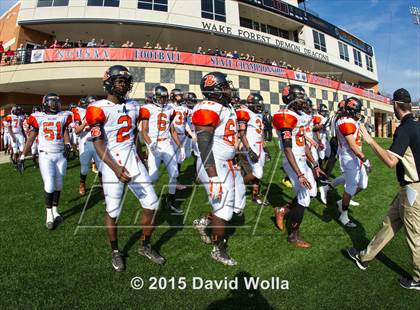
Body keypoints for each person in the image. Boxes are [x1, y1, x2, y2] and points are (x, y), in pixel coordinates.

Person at [86, 65, 164, 271]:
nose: (124, 85)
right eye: (120, 81)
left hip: (133, 160)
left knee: (152, 204)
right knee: (113, 210)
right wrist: (114, 167)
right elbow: (98, 143)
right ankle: (115, 251)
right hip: (112, 161)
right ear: (109, 83)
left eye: (126, 82)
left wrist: (140, 154)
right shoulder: (97, 108)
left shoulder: (134, 106)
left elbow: (134, 134)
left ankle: (145, 245)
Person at [346, 88, 420, 290]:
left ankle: (419, 278)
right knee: (389, 223)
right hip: (410, 189)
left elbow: (390, 161)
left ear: (395, 105)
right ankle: (365, 257)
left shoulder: (405, 128)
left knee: (414, 235)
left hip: (412, 189)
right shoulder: (416, 125)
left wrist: (370, 141)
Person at [192, 71, 240, 266]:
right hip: (213, 164)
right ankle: (218, 250)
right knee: (224, 209)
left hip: (225, 162)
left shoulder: (225, 107)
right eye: (225, 86)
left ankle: (203, 222)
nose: (229, 89)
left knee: (235, 204)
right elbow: (204, 145)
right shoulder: (207, 107)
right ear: (216, 89)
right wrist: (213, 177)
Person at [272, 85, 325, 248]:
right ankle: (293, 235)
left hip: (302, 160)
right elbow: (288, 148)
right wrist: (300, 174)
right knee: (304, 198)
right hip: (292, 162)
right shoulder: (285, 116)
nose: (303, 101)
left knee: (312, 191)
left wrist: (315, 164)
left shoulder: (300, 116)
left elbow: (304, 145)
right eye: (299, 98)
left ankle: (282, 211)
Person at [19, 93, 72, 230]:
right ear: (46, 103)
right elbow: (31, 139)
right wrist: (23, 155)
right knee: (49, 184)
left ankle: (55, 210)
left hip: (60, 154)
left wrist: (67, 144)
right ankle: (49, 215)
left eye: (57, 102)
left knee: (59, 185)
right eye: (52, 102)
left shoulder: (63, 115)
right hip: (46, 154)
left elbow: (65, 131)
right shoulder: (38, 117)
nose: (55, 105)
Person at [140, 86, 185, 214]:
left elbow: (172, 129)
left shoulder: (171, 109)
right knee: (153, 176)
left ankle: (170, 202)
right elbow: (143, 131)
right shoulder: (147, 108)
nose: (162, 100)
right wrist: (150, 144)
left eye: (164, 97)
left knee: (174, 173)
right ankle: (148, 199)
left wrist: (180, 146)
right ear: (155, 97)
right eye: (160, 97)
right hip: (153, 142)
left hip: (167, 143)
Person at [236, 93, 267, 205]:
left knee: (259, 173)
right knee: (257, 173)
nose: (259, 107)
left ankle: (255, 195)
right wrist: (248, 149)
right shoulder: (244, 112)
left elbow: (260, 133)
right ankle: (236, 188)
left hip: (259, 146)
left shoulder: (257, 114)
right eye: (258, 105)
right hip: (250, 145)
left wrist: (265, 148)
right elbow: (242, 133)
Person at [72, 95, 102, 196]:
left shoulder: (101, 111)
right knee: (84, 167)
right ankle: (82, 184)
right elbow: (76, 131)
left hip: (98, 142)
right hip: (86, 142)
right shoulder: (79, 113)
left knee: (102, 166)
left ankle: (103, 187)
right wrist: (85, 123)